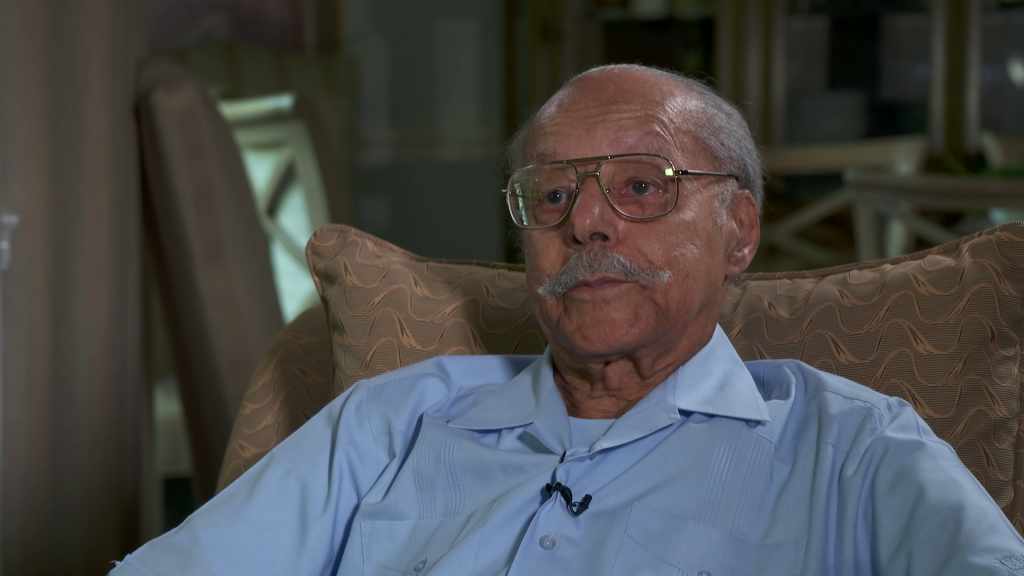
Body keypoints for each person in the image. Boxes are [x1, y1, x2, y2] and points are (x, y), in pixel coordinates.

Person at [110, 64, 1024, 576]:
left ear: (737, 231)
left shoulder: (856, 452)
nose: (585, 220)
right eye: (552, 193)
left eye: (641, 186)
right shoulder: (388, 424)